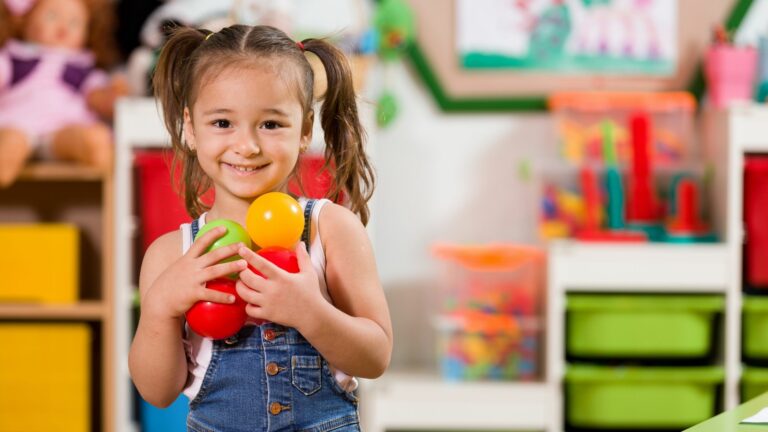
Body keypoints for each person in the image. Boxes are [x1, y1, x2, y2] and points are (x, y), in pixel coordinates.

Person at [129, 24, 392, 432]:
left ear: (305, 130)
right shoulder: (170, 254)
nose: (247, 145)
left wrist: (312, 312)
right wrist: (161, 309)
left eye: (270, 125)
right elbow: (157, 392)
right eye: (222, 123)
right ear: (191, 127)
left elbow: (375, 357)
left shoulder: (331, 229)